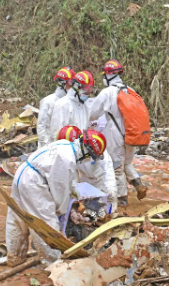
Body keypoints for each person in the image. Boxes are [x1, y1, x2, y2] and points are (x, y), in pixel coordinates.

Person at [6, 130, 107, 267]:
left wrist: (74, 192)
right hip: (34, 183)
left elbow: (67, 178)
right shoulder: (67, 160)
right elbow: (59, 193)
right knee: (46, 225)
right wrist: (63, 212)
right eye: (90, 156)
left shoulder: (65, 145)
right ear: (87, 152)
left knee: (17, 218)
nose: (88, 160)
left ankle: (15, 256)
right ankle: (53, 264)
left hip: (22, 174)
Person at [89, 60, 147, 205]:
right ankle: (138, 184)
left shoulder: (107, 92)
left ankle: (122, 200)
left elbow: (93, 113)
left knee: (117, 167)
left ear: (108, 75)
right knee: (127, 163)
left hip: (115, 134)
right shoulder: (130, 90)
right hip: (131, 133)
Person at [57, 126, 117, 212]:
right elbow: (70, 172)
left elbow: (108, 171)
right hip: (84, 181)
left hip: (101, 181)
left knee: (107, 210)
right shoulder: (69, 153)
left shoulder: (95, 145)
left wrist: (111, 191)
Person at [37, 66, 76, 148]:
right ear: (62, 83)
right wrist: (48, 146)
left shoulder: (71, 102)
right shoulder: (48, 102)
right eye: (70, 83)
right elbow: (41, 126)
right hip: (48, 146)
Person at [50, 71, 95, 141]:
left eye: (90, 89)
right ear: (78, 87)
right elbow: (56, 134)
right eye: (87, 89)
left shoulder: (85, 107)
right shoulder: (62, 105)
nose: (89, 93)